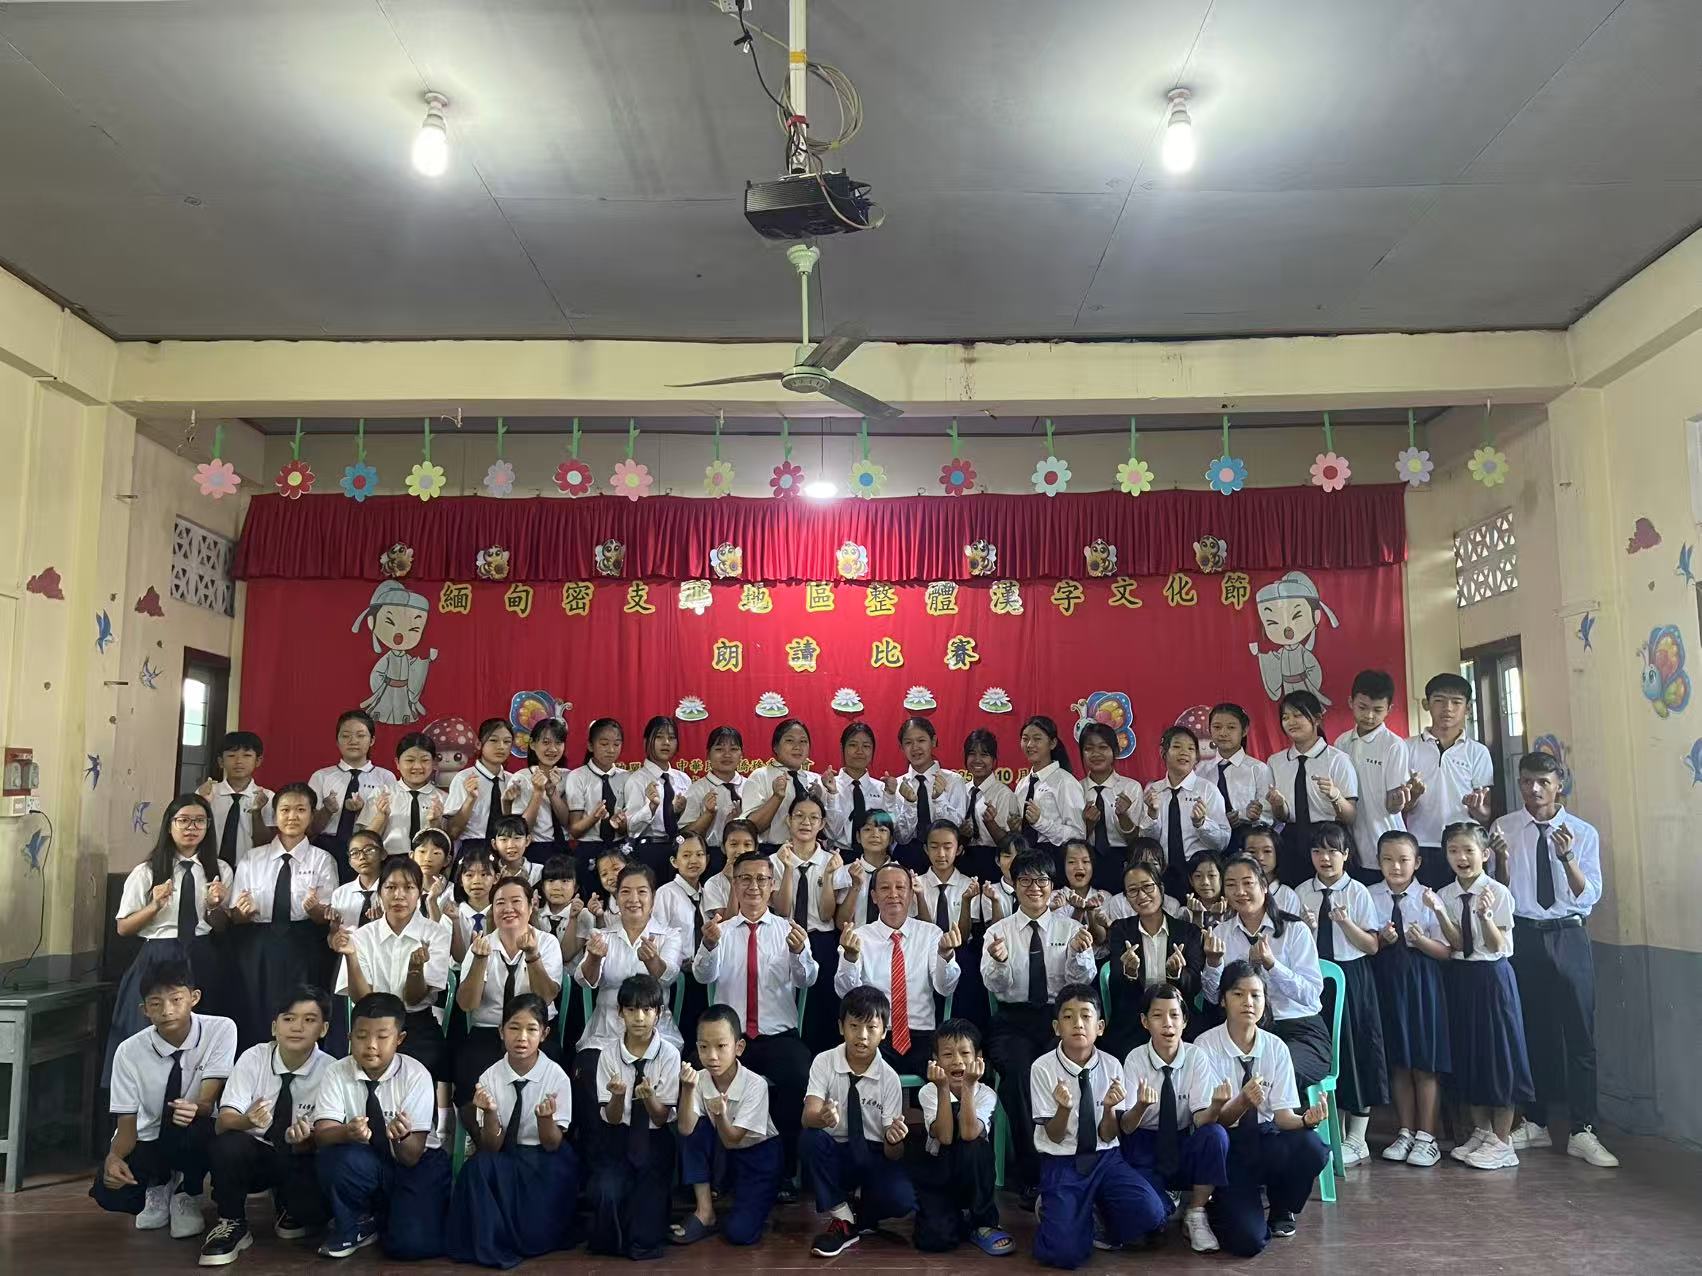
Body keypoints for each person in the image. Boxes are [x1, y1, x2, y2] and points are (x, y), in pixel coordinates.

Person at [1495, 751, 1617, 1166]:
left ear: (1559, 784)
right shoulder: (1504, 828)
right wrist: (1502, 862)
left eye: (1543, 782)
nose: (1534, 789)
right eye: (1527, 781)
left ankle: (1583, 1130)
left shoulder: (1582, 832)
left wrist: (1567, 858)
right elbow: (1500, 893)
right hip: (1525, 935)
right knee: (1535, 1032)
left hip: (1568, 934)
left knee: (1579, 1034)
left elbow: (1588, 896)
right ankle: (1537, 1122)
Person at [691, 851, 816, 1191]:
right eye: (745, 878)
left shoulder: (788, 931)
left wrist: (798, 953)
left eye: (762, 879)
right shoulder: (720, 931)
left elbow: (807, 980)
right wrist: (708, 945)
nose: (754, 886)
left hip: (778, 1037)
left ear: (773, 885)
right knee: (695, 1075)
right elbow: (703, 976)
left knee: (798, 1074)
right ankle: (714, 1173)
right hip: (730, 1041)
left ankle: (785, 1172)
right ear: (734, 884)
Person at [980, 846, 1097, 1207]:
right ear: (1013, 885)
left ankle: (1075, 1164)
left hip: (1056, 1019)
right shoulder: (997, 932)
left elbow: (1083, 982)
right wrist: (1000, 962)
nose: (1034, 888)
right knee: (1019, 1072)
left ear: (1052, 885)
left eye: (1042, 881)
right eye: (1025, 881)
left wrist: (1078, 954)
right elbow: (994, 986)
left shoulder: (1071, 928)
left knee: (1065, 1066)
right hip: (1012, 1020)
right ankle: (1033, 1174)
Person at [1194, 961, 1331, 1255]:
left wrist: (1306, 1120)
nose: (1248, 1002)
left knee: (1312, 1146)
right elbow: (1211, 1122)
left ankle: (1281, 1206)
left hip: (1266, 1138)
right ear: (1223, 1000)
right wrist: (1242, 1102)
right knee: (1248, 1243)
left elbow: (1283, 1118)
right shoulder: (1205, 1047)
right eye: (1238, 994)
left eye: (1256, 995)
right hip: (1229, 1147)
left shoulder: (1276, 1047)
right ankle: (1222, 1203)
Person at [1028, 982, 1168, 1268]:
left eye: (1086, 1016)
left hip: (1106, 1158)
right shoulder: (1042, 1067)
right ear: (1056, 1027)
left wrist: (1109, 1108)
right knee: (1064, 1254)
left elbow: (1108, 1133)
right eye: (1068, 1017)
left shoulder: (1112, 1065)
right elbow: (1054, 1136)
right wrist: (1064, 1109)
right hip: (1062, 1160)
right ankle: (1056, 1208)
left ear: (1100, 1027)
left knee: (1152, 1215)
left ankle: (1091, 1212)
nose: (1078, 1024)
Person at [92, 961, 235, 1240]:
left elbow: (208, 1100)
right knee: (110, 1191)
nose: (167, 1010)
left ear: (194, 998)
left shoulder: (221, 1029)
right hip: (151, 1135)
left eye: (176, 999)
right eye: (156, 1003)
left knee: (197, 1127)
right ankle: (159, 1184)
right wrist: (114, 1157)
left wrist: (196, 1107)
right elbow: (127, 1124)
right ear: (144, 1010)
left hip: (197, 1127)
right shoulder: (129, 1051)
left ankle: (187, 1191)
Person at [200, 986, 333, 1266]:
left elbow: (331, 1135)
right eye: (288, 1018)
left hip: (301, 1158)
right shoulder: (254, 1058)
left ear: (323, 1029)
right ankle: (232, 1222)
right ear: (274, 1027)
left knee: (312, 1214)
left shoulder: (332, 1070)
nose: (297, 1027)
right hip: (258, 1155)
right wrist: (247, 1120)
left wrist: (307, 1141)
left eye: (309, 1020)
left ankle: (290, 1206)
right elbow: (223, 1122)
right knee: (228, 1143)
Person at [311, 992, 450, 1260]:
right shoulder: (336, 1072)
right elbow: (323, 1135)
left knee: (411, 1246)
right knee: (335, 1158)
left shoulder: (416, 1074)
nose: (371, 1045)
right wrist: (346, 1132)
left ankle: (390, 1215)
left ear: (400, 1039)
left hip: (418, 1163)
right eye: (361, 1036)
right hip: (367, 1157)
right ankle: (355, 1222)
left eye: (382, 1037)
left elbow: (411, 1156)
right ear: (349, 1037)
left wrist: (400, 1137)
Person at [106, 793, 232, 1087]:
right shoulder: (148, 870)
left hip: (201, 955)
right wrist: (155, 906)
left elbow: (222, 927)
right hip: (158, 954)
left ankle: (197, 1100)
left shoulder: (220, 870)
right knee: (148, 1032)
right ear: (169, 825)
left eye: (199, 821)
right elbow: (123, 927)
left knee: (200, 1036)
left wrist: (214, 907)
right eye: (183, 820)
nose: (191, 827)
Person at [448, 993, 578, 1269]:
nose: (522, 1038)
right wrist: (490, 1112)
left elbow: (552, 1144)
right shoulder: (490, 1076)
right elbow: (491, 1147)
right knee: (477, 1168)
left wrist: (545, 1119)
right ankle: (490, 1244)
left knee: (534, 1236)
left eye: (531, 1029)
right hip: (506, 1156)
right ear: (501, 1031)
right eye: (514, 1028)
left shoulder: (556, 1076)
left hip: (543, 1159)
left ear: (544, 1034)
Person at [331, 855, 452, 1140]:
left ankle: (419, 1138)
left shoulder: (434, 933)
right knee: (369, 1061)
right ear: (379, 892)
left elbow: (416, 997)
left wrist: (415, 970)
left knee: (427, 1060)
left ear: (420, 893)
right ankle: (365, 1132)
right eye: (391, 887)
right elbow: (363, 1001)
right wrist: (351, 958)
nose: (399, 895)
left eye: (408, 888)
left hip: (416, 1022)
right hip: (372, 1021)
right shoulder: (362, 936)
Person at [1435, 822, 1534, 1170]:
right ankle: (1483, 1132)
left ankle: (1503, 1142)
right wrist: (1438, 912)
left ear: (1485, 854)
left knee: (1499, 1056)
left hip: (1493, 978)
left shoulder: (1497, 892)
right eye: (1453, 851)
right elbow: (1457, 943)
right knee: (1471, 1055)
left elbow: (1497, 945)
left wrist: (1486, 916)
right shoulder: (1446, 894)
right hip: (1462, 977)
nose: (1461, 858)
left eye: (1468, 850)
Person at [1295, 822, 1387, 1165]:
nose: (1325, 858)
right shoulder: (1301, 892)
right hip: (1314, 981)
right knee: (1326, 1054)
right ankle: (1333, 1133)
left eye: (1333, 851)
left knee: (1356, 1050)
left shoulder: (1358, 891)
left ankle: (1358, 1139)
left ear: (1346, 855)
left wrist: (1346, 923)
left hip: (1352, 978)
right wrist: (1308, 929)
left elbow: (1372, 946)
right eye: (1318, 851)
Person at [1199, 854, 1331, 1093]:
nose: (1240, 891)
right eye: (1231, 885)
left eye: (1247, 883)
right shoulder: (1220, 933)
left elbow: (1312, 995)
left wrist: (1273, 965)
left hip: (1297, 1029)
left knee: (1273, 1070)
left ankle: (1282, 1117)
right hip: (1244, 1032)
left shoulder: (1294, 930)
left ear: (1264, 886)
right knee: (1215, 1071)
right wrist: (1213, 963)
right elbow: (1213, 997)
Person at [799, 986, 914, 1257]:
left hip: (873, 1153)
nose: (862, 1036)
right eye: (854, 1026)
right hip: (836, 1150)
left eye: (871, 1028)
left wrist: (893, 1139)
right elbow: (807, 1118)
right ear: (841, 1027)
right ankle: (843, 1215)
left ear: (884, 1032)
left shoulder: (889, 1078)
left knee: (902, 1199)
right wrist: (822, 1117)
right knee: (810, 1138)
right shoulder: (824, 1061)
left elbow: (893, 1154)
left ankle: (858, 1215)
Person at [224, 784, 340, 1050]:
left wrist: (314, 909)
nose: (292, 816)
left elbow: (326, 917)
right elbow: (235, 916)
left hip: (305, 945)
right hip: (257, 947)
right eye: (285, 810)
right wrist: (241, 913)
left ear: (312, 815)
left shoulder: (323, 860)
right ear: (274, 815)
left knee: (300, 1011)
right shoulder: (252, 858)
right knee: (256, 1012)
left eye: (301, 810)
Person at [1116, 984, 1228, 1254]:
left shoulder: (1195, 1056)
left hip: (1181, 1140)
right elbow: (1126, 1127)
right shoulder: (1135, 1059)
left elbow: (1200, 1120)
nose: (1167, 1023)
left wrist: (1216, 1106)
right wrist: (1141, 1106)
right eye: (1157, 1015)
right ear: (1145, 1022)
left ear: (1185, 1021)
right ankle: (1163, 1205)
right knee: (1149, 1218)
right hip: (1142, 1145)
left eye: (1175, 1015)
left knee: (1215, 1134)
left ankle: (1196, 1212)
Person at [572, 863, 685, 1127]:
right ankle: (601, 1142)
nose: (634, 899)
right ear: (616, 897)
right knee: (587, 1068)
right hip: (606, 1033)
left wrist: (653, 961)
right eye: (625, 892)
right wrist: (593, 958)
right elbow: (585, 981)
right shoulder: (601, 936)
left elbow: (669, 977)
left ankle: (652, 1141)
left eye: (642, 892)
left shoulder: (669, 935)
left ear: (653, 897)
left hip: (655, 1032)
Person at [1368, 830, 1451, 1167]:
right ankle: (1405, 1131)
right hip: (1387, 980)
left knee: (1424, 1060)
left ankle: (1427, 1137)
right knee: (1399, 1060)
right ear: (1378, 862)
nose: (1396, 866)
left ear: (1417, 862)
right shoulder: (1370, 895)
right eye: (1388, 859)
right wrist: (1382, 940)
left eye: (1403, 860)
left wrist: (1421, 941)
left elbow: (1446, 950)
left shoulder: (1429, 897)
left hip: (1422, 981)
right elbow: (1366, 943)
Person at [456, 876, 564, 1132]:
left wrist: (533, 956)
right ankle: (485, 1141)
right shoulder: (480, 945)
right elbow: (467, 1004)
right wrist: (480, 961)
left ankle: (534, 1138)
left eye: (516, 901)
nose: (508, 909)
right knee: (466, 1065)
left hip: (535, 1033)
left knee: (553, 1063)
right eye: (500, 903)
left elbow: (546, 997)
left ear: (531, 905)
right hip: (489, 1030)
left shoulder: (547, 943)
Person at [834, 861, 961, 1076]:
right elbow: (845, 993)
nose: (893, 894)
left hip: (922, 1035)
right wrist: (850, 957)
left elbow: (945, 988)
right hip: (874, 1035)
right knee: (862, 1075)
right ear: (874, 896)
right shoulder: (858, 937)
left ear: (911, 894)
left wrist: (946, 956)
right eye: (885, 888)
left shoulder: (931, 934)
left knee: (943, 1077)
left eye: (900, 887)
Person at [672, 1005, 783, 1247]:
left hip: (757, 1156)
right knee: (696, 1127)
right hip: (723, 1150)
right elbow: (685, 1130)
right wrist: (688, 1091)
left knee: (739, 1233)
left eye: (721, 1046)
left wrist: (721, 1115)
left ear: (738, 1047)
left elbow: (733, 1139)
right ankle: (705, 1211)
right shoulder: (699, 1079)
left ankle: (753, 1205)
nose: (712, 1056)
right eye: (704, 1047)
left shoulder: (755, 1085)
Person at [588, 974, 681, 1261]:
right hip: (618, 1138)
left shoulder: (669, 1055)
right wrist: (617, 1096)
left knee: (646, 1239)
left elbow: (662, 1118)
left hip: (655, 1140)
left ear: (659, 1013)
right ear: (620, 1013)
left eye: (647, 1010)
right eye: (631, 1009)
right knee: (606, 1191)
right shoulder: (608, 1054)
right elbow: (612, 1119)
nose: (639, 1018)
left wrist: (649, 1097)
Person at [914, 1018, 1012, 1256]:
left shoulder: (986, 1094)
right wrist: (942, 1088)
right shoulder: (928, 1091)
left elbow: (968, 1133)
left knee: (974, 1144)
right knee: (935, 1240)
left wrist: (968, 1086)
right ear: (936, 1060)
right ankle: (954, 1218)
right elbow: (945, 1137)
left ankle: (983, 1221)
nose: (957, 1060)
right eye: (947, 1054)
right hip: (940, 1175)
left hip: (973, 1173)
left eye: (965, 1053)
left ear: (978, 1057)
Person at [1103, 861, 1204, 1059]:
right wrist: (1129, 973)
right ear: (1126, 897)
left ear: (1161, 888)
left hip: (1177, 1016)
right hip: (1135, 1017)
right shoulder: (1120, 930)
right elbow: (1114, 986)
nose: (1141, 896)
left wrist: (1175, 974)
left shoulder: (1187, 932)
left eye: (1148, 887)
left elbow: (1194, 986)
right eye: (1133, 890)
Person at [1403, 673, 1495, 889]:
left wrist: (1477, 808)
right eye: (1439, 700)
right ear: (1426, 704)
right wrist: (1413, 796)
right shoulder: (1407, 748)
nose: (1448, 708)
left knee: (1466, 904)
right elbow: (1402, 808)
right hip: (1421, 844)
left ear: (1468, 708)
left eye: (1456, 702)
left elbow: (1485, 814)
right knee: (1425, 904)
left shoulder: (1477, 752)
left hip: (1465, 845)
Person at [773, 793, 847, 1050]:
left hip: (822, 940)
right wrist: (788, 869)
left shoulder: (832, 861)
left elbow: (827, 915)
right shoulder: (774, 861)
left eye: (813, 818)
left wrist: (829, 876)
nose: (806, 823)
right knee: (786, 1000)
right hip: (786, 937)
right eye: (799, 816)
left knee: (822, 1006)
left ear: (822, 824)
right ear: (788, 820)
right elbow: (782, 910)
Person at [1263, 691, 1358, 884]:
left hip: (1328, 841)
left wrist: (1335, 796)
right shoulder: (1276, 762)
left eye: (1298, 715)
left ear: (1317, 719)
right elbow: (1281, 817)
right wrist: (1278, 805)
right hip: (1291, 841)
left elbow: (1350, 816)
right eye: (1285, 717)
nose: (1291, 722)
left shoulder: (1338, 759)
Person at [1332, 670, 1409, 881]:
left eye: (1377, 710)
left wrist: (1399, 802)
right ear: (1351, 702)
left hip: (1383, 843)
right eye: (1363, 707)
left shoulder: (1394, 745)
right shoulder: (1341, 743)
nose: (1369, 716)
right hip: (1350, 845)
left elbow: (1393, 806)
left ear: (1389, 709)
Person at [1137, 726, 1229, 899]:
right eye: (1177, 746)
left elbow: (1222, 842)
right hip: (1162, 873)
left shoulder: (1207, 790)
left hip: (1198, 875)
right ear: (1163, 752)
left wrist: (1201, 824)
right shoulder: (1153, 791)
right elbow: (1147, 842)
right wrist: (1152, 814)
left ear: (1197, 757)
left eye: (1191, 748)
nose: (1184, 752)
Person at [308, 709, 397, 877]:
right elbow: (310, 829)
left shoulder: (386, 777)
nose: (353, 741)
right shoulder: (321, 776)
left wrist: (362, 812)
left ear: (372, 740)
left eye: (360, 735)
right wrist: (327, 810)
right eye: (346, 736)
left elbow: (390, 823)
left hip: (368, 851)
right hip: (326, 847)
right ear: (337, 741)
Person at [913, 820, 985, 1024]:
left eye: (947, 847)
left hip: (960, 953)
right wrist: (919, 896)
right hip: (924, 953)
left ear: (959, 849)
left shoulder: (968, 884)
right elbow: (924, 931)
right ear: (926, 849)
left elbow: (963, 936)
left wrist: (966, 901)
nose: (941, 854)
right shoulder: (916, 883)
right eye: (934, 847)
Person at [655, 832, 713, 1050]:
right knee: (684, 1030)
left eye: (699, 854)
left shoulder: (709, 894)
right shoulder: (665, 894)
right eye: (686, 855)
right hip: (678, 977)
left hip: (704, 973)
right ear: (674, 861)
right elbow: (659, 937)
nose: (693, 860)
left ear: (707, 859)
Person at [892, 717, 969, 872]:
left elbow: (955, 828)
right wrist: (909, 803)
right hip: (908, 859)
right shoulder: (898, 785)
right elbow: (901, 837)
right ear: (901, 747)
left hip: (945, 857)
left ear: (933, 741)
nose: (915, 748)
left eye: (921, 740)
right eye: (908, 742)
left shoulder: (953, 780)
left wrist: (939, 798)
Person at [1074, 722, 1142, 892]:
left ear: (1115, 752)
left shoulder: (1131, 788)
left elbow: (1135, 841)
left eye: (1103, 747)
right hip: (1084, 862)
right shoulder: (1075, 789)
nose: (1096, 754)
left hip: (1122, 860)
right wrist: (1088, 825)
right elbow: (1071, 841)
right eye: (1089, 749)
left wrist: (1123, 816)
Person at [1199, 703, 1273, 855]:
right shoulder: (1201, 770)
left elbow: (1270, 814)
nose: (1223, 733)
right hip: (1209, 845)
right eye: (1217, 727)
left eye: (1231, 727)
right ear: (1209, 730)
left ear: (1244, 731)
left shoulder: (1257, 769)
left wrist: (1247, 816)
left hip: (1248, 845)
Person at [625, 715, 692, 881]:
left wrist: (677, 812)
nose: (666, 743)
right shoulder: (637, 780)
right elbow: (631, 828)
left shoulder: (683, 779)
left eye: (671, 738)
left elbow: (687, 823)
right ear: (646, 741)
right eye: (659, 737)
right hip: (649, 850)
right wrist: (651, 808)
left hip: (679, 849)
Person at [1015, 715, 1086, 871]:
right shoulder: (1022, 784)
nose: (1030, 744)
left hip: (1055, 860)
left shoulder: (1065, 782)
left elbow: (1078, 835)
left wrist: (1040, 822)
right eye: (1025, 739)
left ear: (1052, 743)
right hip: (1025, 861)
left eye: (1037, 739)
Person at [745, 718, 825, 853]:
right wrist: (776, 797)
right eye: (789, 740)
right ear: (775, 747)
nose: (797, 747)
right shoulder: (761, 776)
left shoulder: (816, 780)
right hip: (771, 852)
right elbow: (751, 828)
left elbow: (827, 829)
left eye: (803, 741)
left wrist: (819, 801)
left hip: (809, 852)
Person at [364, 731, 445, 859]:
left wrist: (435, 823)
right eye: (410, 760)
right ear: (397, 763)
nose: (417, 766)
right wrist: (381, 817)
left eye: (425, 760)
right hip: (389, 863)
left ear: (434, 763)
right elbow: (364, 841)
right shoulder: (382, 794)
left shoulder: (442, 798)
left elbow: (446, 844)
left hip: (427, 863)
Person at [198, 730, 273, 865]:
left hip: (251, 867)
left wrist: (257, 812)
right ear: (221, 761)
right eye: (231, 756)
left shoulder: (267, 797)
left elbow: (266, 842)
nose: (239, 761)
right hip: (210, 865)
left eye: (247, 755)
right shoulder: (207, 793)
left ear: (258, 761)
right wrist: (201, 802)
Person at [444, 718, 516, 853]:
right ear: (478, 744)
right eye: (493, 740)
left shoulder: (513, 781)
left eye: (507, 742)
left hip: (507, 850)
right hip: (473, 850)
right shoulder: (464, 778)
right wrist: (470, 799)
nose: (501, 746)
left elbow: (518, 828)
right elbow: (452, 832)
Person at [509, 716, 573, 865]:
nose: (553, 749)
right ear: (532, 744)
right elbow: (522, 828)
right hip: (534, 849)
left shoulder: (569, 776)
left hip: (565, 849)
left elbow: (567, 822)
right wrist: (538, 793)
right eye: (546, 742)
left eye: (558, 743)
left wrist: (552, 793)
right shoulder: (521, 778)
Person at [681, 725, 746, 869]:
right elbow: (684, 836)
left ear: (742, 754)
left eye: (733, 749)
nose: (727, 755)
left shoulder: (750, 786)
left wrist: (739, 824)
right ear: (708, 755)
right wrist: (708, 815)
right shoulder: (697, 789)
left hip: (745, 856)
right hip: (710, 858)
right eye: (719, 749)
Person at [821, 721, 891, 850]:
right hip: (838, 855)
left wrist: (890, 797)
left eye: (866, 746)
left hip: (875, 855)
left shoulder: (882, 789)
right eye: (853, 745)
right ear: (842, 748)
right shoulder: (827, 787)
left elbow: (892, 831)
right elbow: (832, 834)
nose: (859, 751)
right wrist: (832, 794)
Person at [962, 728, 1016, 883]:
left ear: (994, 760)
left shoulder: (1004, 794)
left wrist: (991, 823)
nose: (977, 760)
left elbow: (1008, 844)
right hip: (963, 861)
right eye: (972, 754)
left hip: (994, 863)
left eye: (984, 754)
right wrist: (961, 834)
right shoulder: (961, 791)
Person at [832, 807, 898, 929]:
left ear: (891, 839)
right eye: (867, 829)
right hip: (856, 938)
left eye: (882, 830)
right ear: (858, 836)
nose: (875, 834)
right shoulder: (845, 872)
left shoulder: (901, 874)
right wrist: (855, 886)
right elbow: (842, 924)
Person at [1240, 822, 1303, 917]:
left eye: (1267, 851)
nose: (1260, 857)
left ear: (1277, 853)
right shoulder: (1238, 891)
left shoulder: (1287, 895)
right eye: (1252, 852)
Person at [328, 830, 385, 930]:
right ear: (350, 862)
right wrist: (334, 929)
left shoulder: (394, 891)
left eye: (368, 850)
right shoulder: (340, 893)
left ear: (383, 854)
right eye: (354, 853)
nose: (362, 857)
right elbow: (333, 934)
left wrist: (384, 922)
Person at [489, 814, 541, 887]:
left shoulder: (540, 872)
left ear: (527, 840)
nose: (511, 845)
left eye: (517, 838)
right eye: (504, 839)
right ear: (494, 844)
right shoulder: (489, 872)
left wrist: (525, 884)